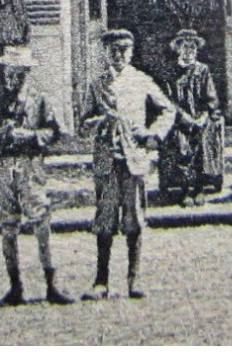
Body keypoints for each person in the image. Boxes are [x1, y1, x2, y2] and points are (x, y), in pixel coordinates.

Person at [79, 29, 175, 300]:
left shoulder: (141, 81)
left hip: (134, 159)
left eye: (124, 50)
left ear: (131, 52)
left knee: (134, 220)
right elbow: (83, 122)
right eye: (113, 50)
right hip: (107, 161)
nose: (119, 55)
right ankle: (101, 282)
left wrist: (152, 134)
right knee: (105, 221)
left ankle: (133, 280)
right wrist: (98, 122)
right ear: (105, 53)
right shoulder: (97, 84)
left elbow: (168, 109)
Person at [0, 43, 72, 305]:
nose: (14, 77)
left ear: (27, 73)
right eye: (10, 72)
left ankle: (51, 285)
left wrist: (31, 135)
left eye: (19, 73)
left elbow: (55, 132)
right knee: (8, 225)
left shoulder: (39, 101)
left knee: (41, 220)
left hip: (30, 165)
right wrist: (2, 134)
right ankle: (15, 286)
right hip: (4, 167)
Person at [158, 29, 223, 207]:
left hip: (200, 117)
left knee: (203, 141)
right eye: (185, 47)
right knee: (181, 143)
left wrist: (203, 115)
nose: (189, 51)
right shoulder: (171, 72)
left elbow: (211, 98)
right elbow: (168, 101)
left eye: (193, 47)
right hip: (179, 119)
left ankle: (199, 187)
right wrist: (183, 117)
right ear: (178, 49)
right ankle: (185, 188)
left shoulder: (203, 71)